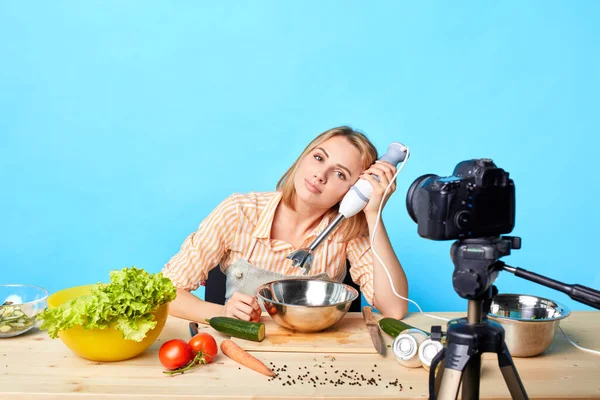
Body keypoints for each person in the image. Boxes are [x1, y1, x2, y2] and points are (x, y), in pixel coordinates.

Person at [162, 126, 408, 323]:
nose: (320, 175)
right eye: (319, 158)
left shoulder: (348, 232)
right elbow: (166, 293)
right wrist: (220, 313)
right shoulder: (238, 211)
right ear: (303, 158)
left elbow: (394, 309)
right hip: (240, 349)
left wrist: (373, 213)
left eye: (340, 174)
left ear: (354, 192)